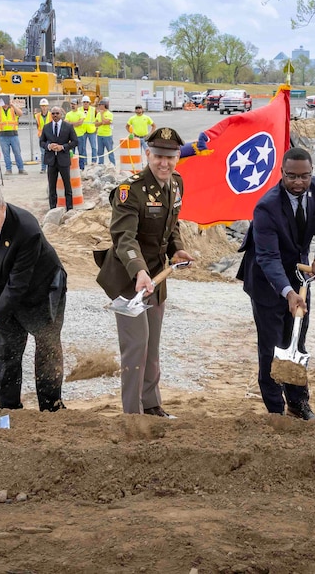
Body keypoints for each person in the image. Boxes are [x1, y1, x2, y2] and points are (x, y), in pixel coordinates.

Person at [95, 127, 194, 417]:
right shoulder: (130, 191)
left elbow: (171, 225)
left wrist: (177, 249)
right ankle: (132, 416)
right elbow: (124, 238)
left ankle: (151, 406)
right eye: (159, 156)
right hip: (129, 279)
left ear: (177, 157)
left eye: (171, 157)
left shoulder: (176, 184)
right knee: (136, 348)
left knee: (152, 347)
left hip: (156, 278)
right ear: (147, 154)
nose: (165, 163)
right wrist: (139, 272)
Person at [237, 147, 315, 420]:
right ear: (281, 174)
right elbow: (268, 258)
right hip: (265, 279)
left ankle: (297, 402)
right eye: (291, 176)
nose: (298, 182)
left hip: (300, 274)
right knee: (271, 346)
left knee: (296, 341)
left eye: (304, 176)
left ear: (311, 173)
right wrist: (288, 293)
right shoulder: (267, 206)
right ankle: (275, 410)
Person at [0, 184, 68, 412]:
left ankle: (51, 409)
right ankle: (9, 409)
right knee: (7, 350)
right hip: (5, 285)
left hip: (42, 288)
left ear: (1, 207)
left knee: (46, 348)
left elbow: (19, 284)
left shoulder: (26, 228)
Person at [38, 104, 78, 211]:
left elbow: (75, 141)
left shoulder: (68, 127)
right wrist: (49, 146)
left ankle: (69, 208)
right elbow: (41, 142)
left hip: (63, 160)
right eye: (53, 113)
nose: (55, 115)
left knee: (67, 185)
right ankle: (53, 208)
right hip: (51, 161)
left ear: (61, 114)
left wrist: (63, 147)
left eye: (57, 113)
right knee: (52, 186)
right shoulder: (46, 127)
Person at [0, 97, 25, 175]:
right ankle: (8, 169)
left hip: (13, 134)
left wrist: (13, 105)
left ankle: (21, 168)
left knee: (17, 153)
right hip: (3, 135)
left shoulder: (12, 109)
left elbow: (20, 114)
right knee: (6, 154)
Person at [78, 95, 98, 167]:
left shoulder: (93, 109)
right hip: (82, 130)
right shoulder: (79, 110)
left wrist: (96, 128)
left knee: (94, 147)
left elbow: (97, 119)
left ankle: (94, 161)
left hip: (91, 130)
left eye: (87, 102)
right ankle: (85, 161)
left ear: (89, 103)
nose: (85, 103)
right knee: (83, 147)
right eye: (84, 102)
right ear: (82, 103)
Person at [94, 99, 115, 165]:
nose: (99, 106)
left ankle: (112, 164)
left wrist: (102, 114)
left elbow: (106, 122)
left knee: (110, 151)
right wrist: (101, 122)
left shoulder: (109, 114)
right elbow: (96, 124)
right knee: (100, 152)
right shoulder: (98, 114)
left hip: (107, 135)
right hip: (99, 135)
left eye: (100, 105)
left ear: (104, 105)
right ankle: (101, 164)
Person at [34, 98, 53, 172]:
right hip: (41, 136)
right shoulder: (37, 116)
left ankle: (50, 167)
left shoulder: (51, 115)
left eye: (45, 106)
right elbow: (38, 126)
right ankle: (43, 168)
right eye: (42, 106)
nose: (44, 107)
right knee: (43, 153)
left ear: (47, 106)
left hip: (50, 136)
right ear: (40, 107)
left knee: (50, 152)